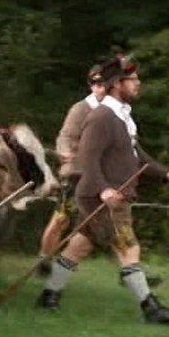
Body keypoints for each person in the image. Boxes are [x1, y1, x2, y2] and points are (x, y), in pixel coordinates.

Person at [36, 51, 169, 321]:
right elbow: (87, 159)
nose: (137, 83)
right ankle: (150, 309)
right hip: (103, 198)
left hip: (107, 195)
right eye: (132, 79)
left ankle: (49, 295)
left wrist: (165, 173)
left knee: (78, 247)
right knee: (127, 249)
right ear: (117, 84)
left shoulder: (121, 116)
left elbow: (136, 154)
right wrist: (104, 188)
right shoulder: (102, 117)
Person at [34, 62, 107, 277]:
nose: (100, 87)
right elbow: (65, 136)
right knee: (61, 219)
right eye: (96, 83)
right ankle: (43, 259)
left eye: (104, 83)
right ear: (90, 85)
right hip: (76, 174)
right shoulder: (81, 109)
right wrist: (65, 152)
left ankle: (130, 267)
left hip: (100, 177)